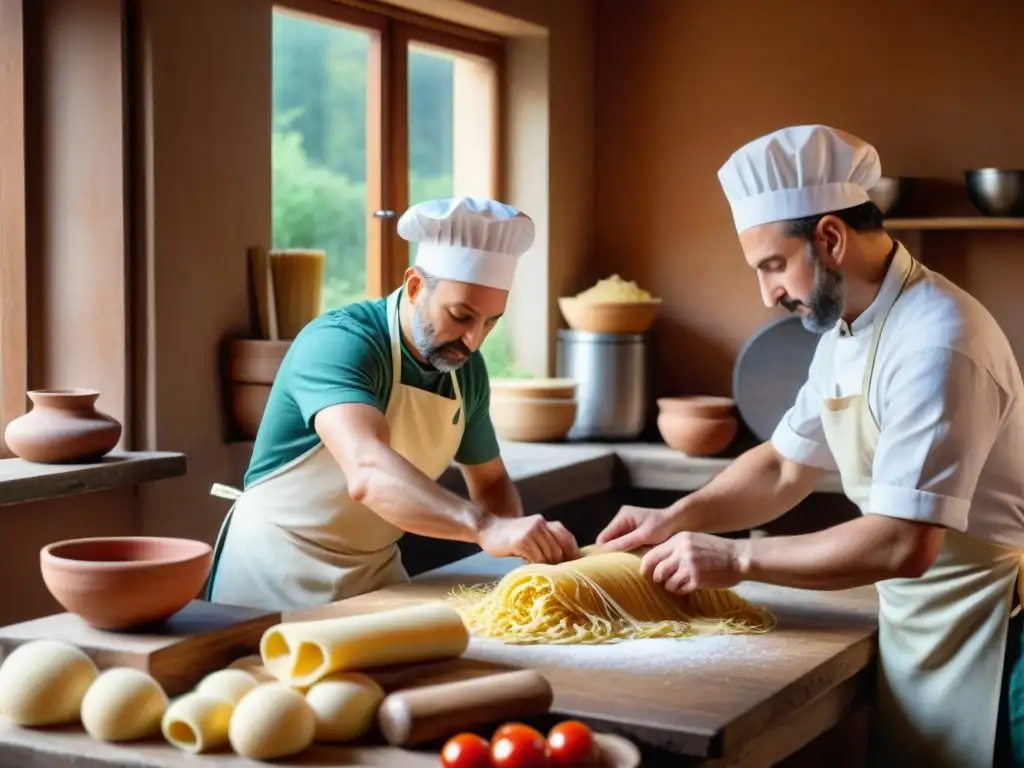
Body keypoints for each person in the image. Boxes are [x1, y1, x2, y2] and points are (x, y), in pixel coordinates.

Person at [596, 125, 1024, 767]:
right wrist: (674, 519)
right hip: (923, 622)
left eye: (772, 265)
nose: (767, 293)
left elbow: (904, 542)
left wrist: (737, 561)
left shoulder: (939, 342)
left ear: (830, 237)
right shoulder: (846, 329)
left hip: (995, 638)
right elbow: (783, 465)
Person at [208, 196, 579, 613]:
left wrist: (518, 557)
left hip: (375, 576)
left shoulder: (464, 370)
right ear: (416, 286)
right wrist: (484, 527)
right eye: (461, 315)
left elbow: (491, 482)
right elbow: (368, 470)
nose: (474, 340)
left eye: (490, 323)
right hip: (271, 575)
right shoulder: (340, 344)